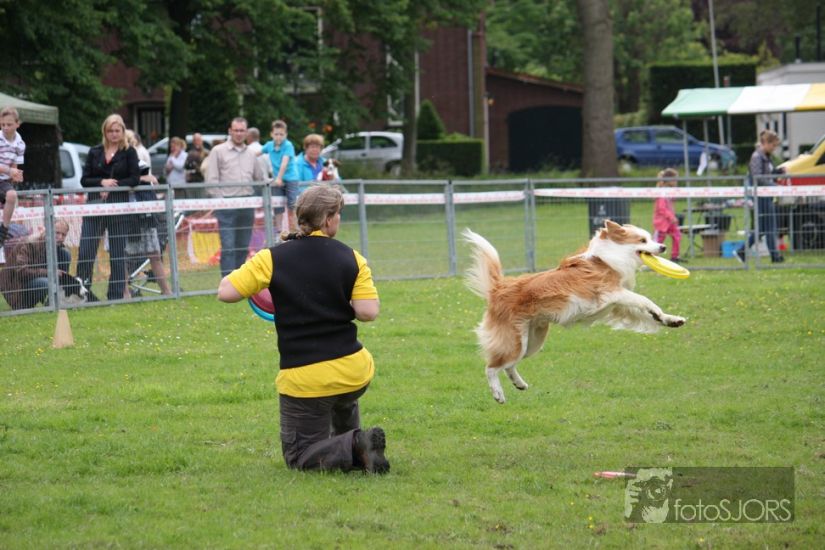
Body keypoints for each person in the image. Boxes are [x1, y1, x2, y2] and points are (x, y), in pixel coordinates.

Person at [216, 184, 389, 474]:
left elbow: (226, 292)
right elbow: (368, 312)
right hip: (354, 370)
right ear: (328, 219)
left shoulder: (272, 258)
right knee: (340, 395)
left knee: (300, 456)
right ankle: (356, 443)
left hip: (305, 377)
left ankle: (357, 442)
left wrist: (260, 271)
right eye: (339, 214)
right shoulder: (353, 258)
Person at [76, 113, 140, 301]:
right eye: (110, 131)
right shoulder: (94, 151)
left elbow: (134, 179)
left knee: (118, 254)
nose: (114, 134)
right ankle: (82, 293)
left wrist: (114, 185)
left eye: (117, 130)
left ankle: (115, 295)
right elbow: (84, 180)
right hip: (95, 206)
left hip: (118, 207)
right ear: (105, 132)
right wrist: (101, 182)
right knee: (86, 250)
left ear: (122, 131)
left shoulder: (129, 152)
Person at [205, 117, 264, 277]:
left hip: (247, 205)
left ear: (246, 132)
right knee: (228, 247)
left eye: (242, 130)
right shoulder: (218, 151)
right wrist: (220, 201)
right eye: (236, 130)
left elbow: (260, 178)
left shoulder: (251, 153)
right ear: (230, 131)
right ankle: (227, 283)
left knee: (243, 246)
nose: (239, 133)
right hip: (226, 206)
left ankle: (239, 283)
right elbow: (211, 180)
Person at [0, 219, 85, 309]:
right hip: (17, 289)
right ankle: (53, 303)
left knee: (65, 255)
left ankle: (61, 300)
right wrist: (50, 272)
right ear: (47, 231)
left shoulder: (57, 248)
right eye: (57, 233)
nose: (60, 237)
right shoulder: (30, 243)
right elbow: (22, 271)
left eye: (63, 235)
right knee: (46, 282)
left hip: (36, 280)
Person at [125, 133, 172, 296]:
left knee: (155, 254)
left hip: (146, 213)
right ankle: (124, 293)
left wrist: (145, 179)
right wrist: (143, 178)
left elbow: (152, 182)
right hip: (127, 214)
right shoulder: (116, 162)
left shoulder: (141, 159)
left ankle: (166, 291)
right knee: (125, 256)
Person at [736, 130, 784, 264]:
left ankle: (743, 251)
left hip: (766, 194)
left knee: (763, 228)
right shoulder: (757, 157)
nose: (774, 148)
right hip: (760, 195)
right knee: (769, 226)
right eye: (773, 145)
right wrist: (774, 186)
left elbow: (767, 174)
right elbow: (758, 177)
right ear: (766, 143)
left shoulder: (766, 157)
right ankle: (774, 256)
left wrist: (778, 171)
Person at [260, 120, 300, 231]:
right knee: (277, 204)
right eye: (276, 134)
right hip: (277, 179)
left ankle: (296, 227)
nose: (278, 137)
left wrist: (279, 178)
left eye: (281, 134)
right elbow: (257, 153)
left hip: (290, 178)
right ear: (271, 134)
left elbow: (284, 163)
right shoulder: (269, 145)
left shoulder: (288, 145)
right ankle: (279, 230)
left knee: (292, 203)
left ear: (285, 135)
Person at [0, 106, 25, 251]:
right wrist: (9, 170)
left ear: (17, 124)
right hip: (3, 174)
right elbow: (10, 169)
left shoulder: (20, 144)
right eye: (2, 124)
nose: (5, 127)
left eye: (9, 124)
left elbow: (15, 166)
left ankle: (4, 229)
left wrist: (16, 175)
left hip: (3, 181)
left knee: (12, 195)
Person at [652, 168, 683, 262]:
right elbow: (661, 208)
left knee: (677, 236)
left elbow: (671, 203)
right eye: (675, 179)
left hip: (671, 221)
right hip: (662, 221)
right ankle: (652, 257)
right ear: (669, 180)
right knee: (658, 240)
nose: (676, 182)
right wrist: (671, 217)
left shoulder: (671, 191)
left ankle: (675, 256)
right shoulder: (661, 192)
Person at [184, 133, 207, 199]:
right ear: (193, 141)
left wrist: (197, 167)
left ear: (202, 141)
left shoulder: (206, 152)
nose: (197, 142)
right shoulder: (190, 153)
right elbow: (186, 166)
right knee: (191, 201)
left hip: (202, 181)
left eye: (198, 140)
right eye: (195, 140)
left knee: (202, 201)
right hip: (191, 181)